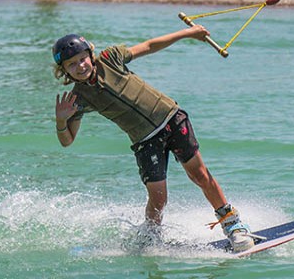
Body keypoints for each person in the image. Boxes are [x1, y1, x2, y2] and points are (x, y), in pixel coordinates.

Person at [52, 25, 255, 252]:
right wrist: (61, 120)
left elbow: (149, 45)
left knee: (200, 175)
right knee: (158, 198)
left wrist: (188, 33)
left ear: (90, 54)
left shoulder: (110, 58)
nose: (80, 66)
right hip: (145, 141)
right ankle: (150, 239)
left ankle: (233, 225)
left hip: (171, 119)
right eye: (72, 64)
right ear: (63, 70)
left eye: (82, 59)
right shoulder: (78, 99)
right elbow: (67, 141)